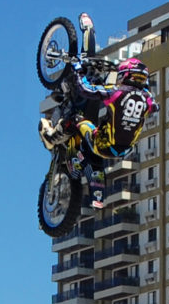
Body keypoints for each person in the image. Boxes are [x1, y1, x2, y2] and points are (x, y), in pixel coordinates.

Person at [40, 55, 157, 210]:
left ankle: (51, 137)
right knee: (99, 134)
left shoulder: (116, 92)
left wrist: (78, 71)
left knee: (76, 119)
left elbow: (86, 89)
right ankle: (88, 170)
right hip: (123, 151)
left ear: (126, 75)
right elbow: (155, 107)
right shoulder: (147, 100)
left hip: (103, 143)